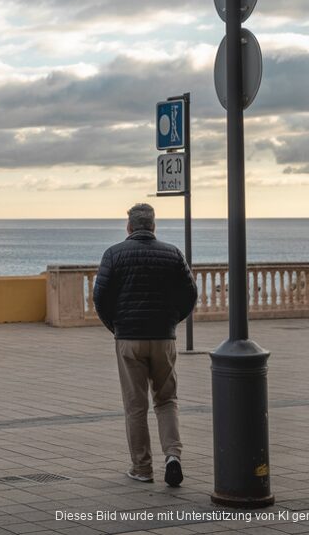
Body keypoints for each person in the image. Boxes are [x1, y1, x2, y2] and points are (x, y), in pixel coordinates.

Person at [93, 203, 197, 487]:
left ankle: (142, 468)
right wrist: (172, 321)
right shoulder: (172, 253)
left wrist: (116, 327)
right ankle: (173, 456)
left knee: (135, 405)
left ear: (129, 227)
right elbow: (190, 294)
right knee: (166, 399)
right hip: (163, 338)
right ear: (153, 226)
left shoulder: (113, 254)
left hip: (129, 338)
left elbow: (100, 298)